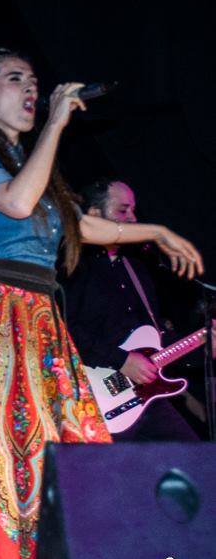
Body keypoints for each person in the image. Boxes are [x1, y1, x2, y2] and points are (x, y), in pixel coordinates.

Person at [0, 48, 203, 559]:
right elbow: (18, 202)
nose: (30, 88)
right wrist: (55, 120)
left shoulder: (33, 162)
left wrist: (158, 230)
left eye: (35, 81)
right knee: (12, 469)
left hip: (40, 325)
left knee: (77, 462)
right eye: (14, 79)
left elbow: (79, 222)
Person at [65, 179, 199, 441]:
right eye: (123, 211)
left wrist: (202, 345)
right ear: (94, 215)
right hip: (93, 400)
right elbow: (61, 329)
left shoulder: (137, 271)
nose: (133, 219)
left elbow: (157, 341)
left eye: (133, 211)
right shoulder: (72, 268)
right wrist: (121, 360)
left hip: (146, 397)